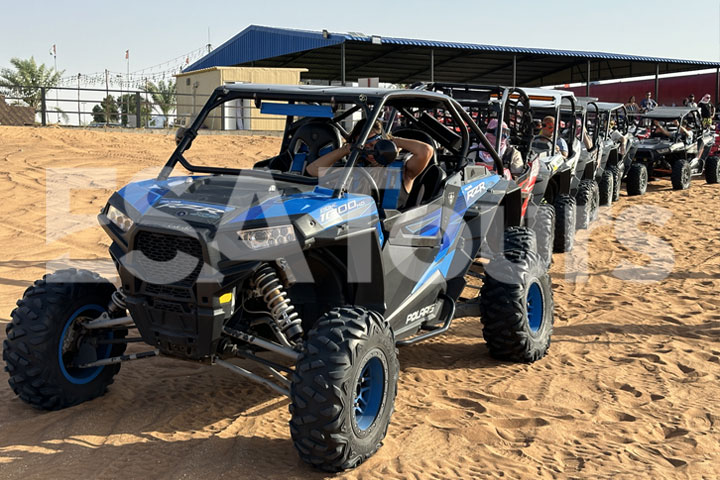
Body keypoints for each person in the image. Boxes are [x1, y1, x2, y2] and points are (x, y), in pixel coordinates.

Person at [306, 118, 434, 209]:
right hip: (358, 227)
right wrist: (346, 149)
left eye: (374, 145)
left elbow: (426, 151)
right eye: (365, 147)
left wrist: (392, 142)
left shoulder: (403, 170)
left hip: (390, 233)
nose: (371, 152)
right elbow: (312, 170)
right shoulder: (354, 168)